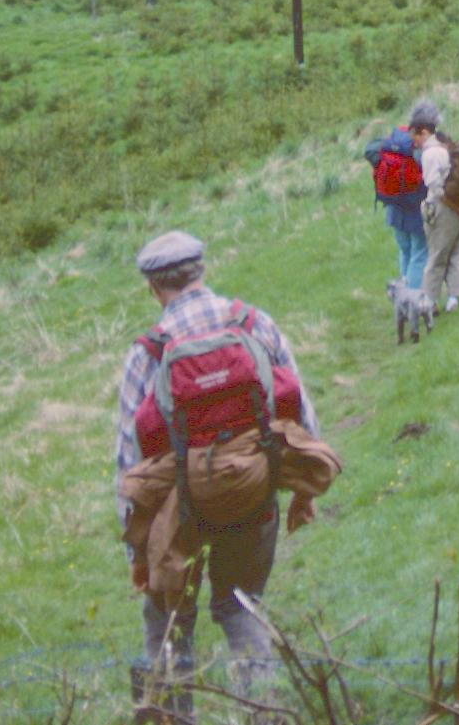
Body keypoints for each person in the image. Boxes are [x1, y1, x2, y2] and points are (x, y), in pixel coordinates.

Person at [113, 231, 319, 714]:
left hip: (176, 509)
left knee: (168, 621)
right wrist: (303, 492)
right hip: (253, 491)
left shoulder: (148, 352)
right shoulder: (254, 324)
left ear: (152, 287)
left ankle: (172, 717)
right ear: (202, 270)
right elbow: (301, 414)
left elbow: (129, 462)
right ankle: (264, 714)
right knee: (240, 605)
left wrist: (137, 552)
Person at [417, 101, 459, 314]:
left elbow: (435, 187)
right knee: (458, 251)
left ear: (424, 131)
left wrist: (455, 208)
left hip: (446, 210)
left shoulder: (430, 153)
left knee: (437, 256)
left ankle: (429, 301)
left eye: (415, 134)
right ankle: (454, 298)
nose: (414, 140)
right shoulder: (450, 146)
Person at [370, 109, 432, 304]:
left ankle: (402, 294)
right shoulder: (418, 151)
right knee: (419, 253)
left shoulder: (391, 144)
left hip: (394, 208)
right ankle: (413, 299)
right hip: (414, 208)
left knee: (404, 251)